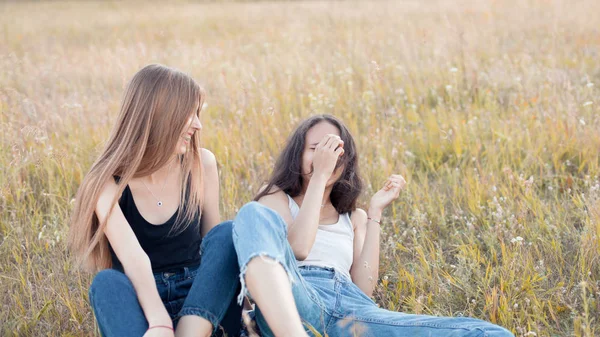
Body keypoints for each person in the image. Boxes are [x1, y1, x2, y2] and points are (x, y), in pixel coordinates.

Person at [231, 114, 513, 337]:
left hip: (351, 309)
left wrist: (374, 211)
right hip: (296, 300)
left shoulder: (353, 218)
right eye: (316, 149)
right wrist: (319, 176)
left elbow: (363, 288)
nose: (325, 157)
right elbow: (299, 249)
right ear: (298, 155)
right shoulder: (275, 199)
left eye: (334, 149)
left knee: (488, 333)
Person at [69, 64, 241, 337]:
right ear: (160, 114)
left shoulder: (201, 164)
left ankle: (191, 331)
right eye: (190, 114)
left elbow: (213, 253)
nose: (199, 125)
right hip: (143, 298)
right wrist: (159, 320)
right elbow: (133, 258)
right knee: (106, 283)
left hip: (199, 298)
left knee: (226, 234)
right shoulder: (105, 182)